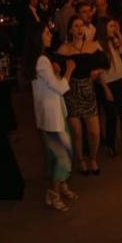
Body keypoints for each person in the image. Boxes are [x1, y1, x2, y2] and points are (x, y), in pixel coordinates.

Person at [33, 26, 76, 212]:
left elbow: (50, 85)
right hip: (52, 117)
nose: (50, 35)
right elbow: (59, 88)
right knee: (61, 157)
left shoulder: (41, 59)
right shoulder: (42, 60)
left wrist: (57, 73)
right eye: (46, 33)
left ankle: (61, 187)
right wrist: (68, 71)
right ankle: (54, 193)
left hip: (53, 115)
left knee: (58, 155)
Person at [54, 16, 105, 175]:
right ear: (70, 30)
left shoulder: (93, 45)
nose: (79, 29)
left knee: (94, 131)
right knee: (76, 132)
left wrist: (97, 72)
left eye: (81, 25)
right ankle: (81, 161)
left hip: (88, 90)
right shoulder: (64, 49)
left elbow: (105, 63)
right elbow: (57, 68)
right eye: (76, 26)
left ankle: (93, 158)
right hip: (72, 91)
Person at [98, 19, 122, 155]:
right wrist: (105, 88)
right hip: (109, 82)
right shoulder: (98, 45)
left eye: (114, 25)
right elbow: (99, 70)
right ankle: (110, 144)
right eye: (110, 26)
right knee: (111, 115)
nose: (113, 28)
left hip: (121, 79)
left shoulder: (114, 41)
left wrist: (118, 33)